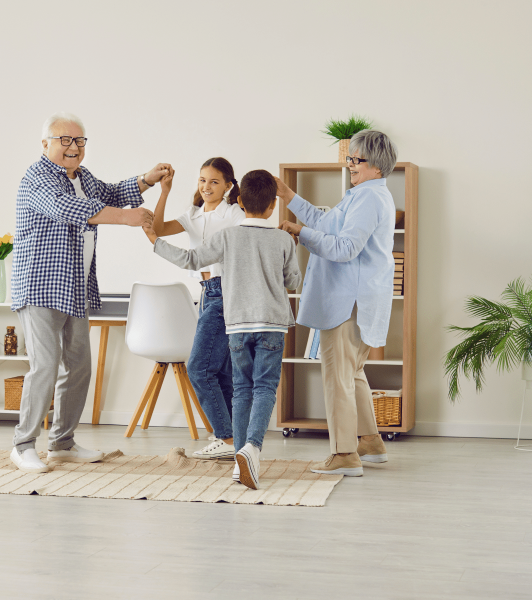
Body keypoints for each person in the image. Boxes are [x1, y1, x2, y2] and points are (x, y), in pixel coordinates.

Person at [9, 112, 170, 473]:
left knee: (79, 367)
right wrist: (124, 218)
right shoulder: (37, 179)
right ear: (45, 143)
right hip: (39, 287)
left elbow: (110, 193)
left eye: (79, 141)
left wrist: (146, 179)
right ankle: (22, 445)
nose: (73, 147)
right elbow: (68, 209)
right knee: (46, 365)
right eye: (64, 140)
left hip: (73, 288)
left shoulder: (81, 177)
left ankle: (62, 443)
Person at [143, 170, 301, 489]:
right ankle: (251, 449)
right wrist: (291, 243)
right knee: (264, 388)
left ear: (240, 200)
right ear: (272, 205)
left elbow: (190, 259)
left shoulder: (227, 237)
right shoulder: (282, 238)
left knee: (242, 388)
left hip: (237, 324)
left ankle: (238, 462)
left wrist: (155, 242)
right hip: (271, 325)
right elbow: (293, 282)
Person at [276, 129, 398, 477]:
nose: (350, 165)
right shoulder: (364, 195)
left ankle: (344, 454)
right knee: (353, 373)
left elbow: (344, 249)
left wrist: (299, 234)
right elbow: (326, 222)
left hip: (347, 303)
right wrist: (289, 196)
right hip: (357, 301)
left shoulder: (368, 199)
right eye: (349, 159)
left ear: (376, 166)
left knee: (337, 378)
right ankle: (370, 442)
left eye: (356, 160)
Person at [151, 157, 245, 460]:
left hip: (225, 292)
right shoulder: (193, 215)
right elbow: (158, 228)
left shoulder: (234, 214)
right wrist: (164, 191)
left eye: (215, 181)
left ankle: (226, 437)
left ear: (228, 185)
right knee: (218, 371)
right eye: (202, 180)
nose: (207, 186)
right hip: (206, 293)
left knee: (199, 368)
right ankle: (235, 440)